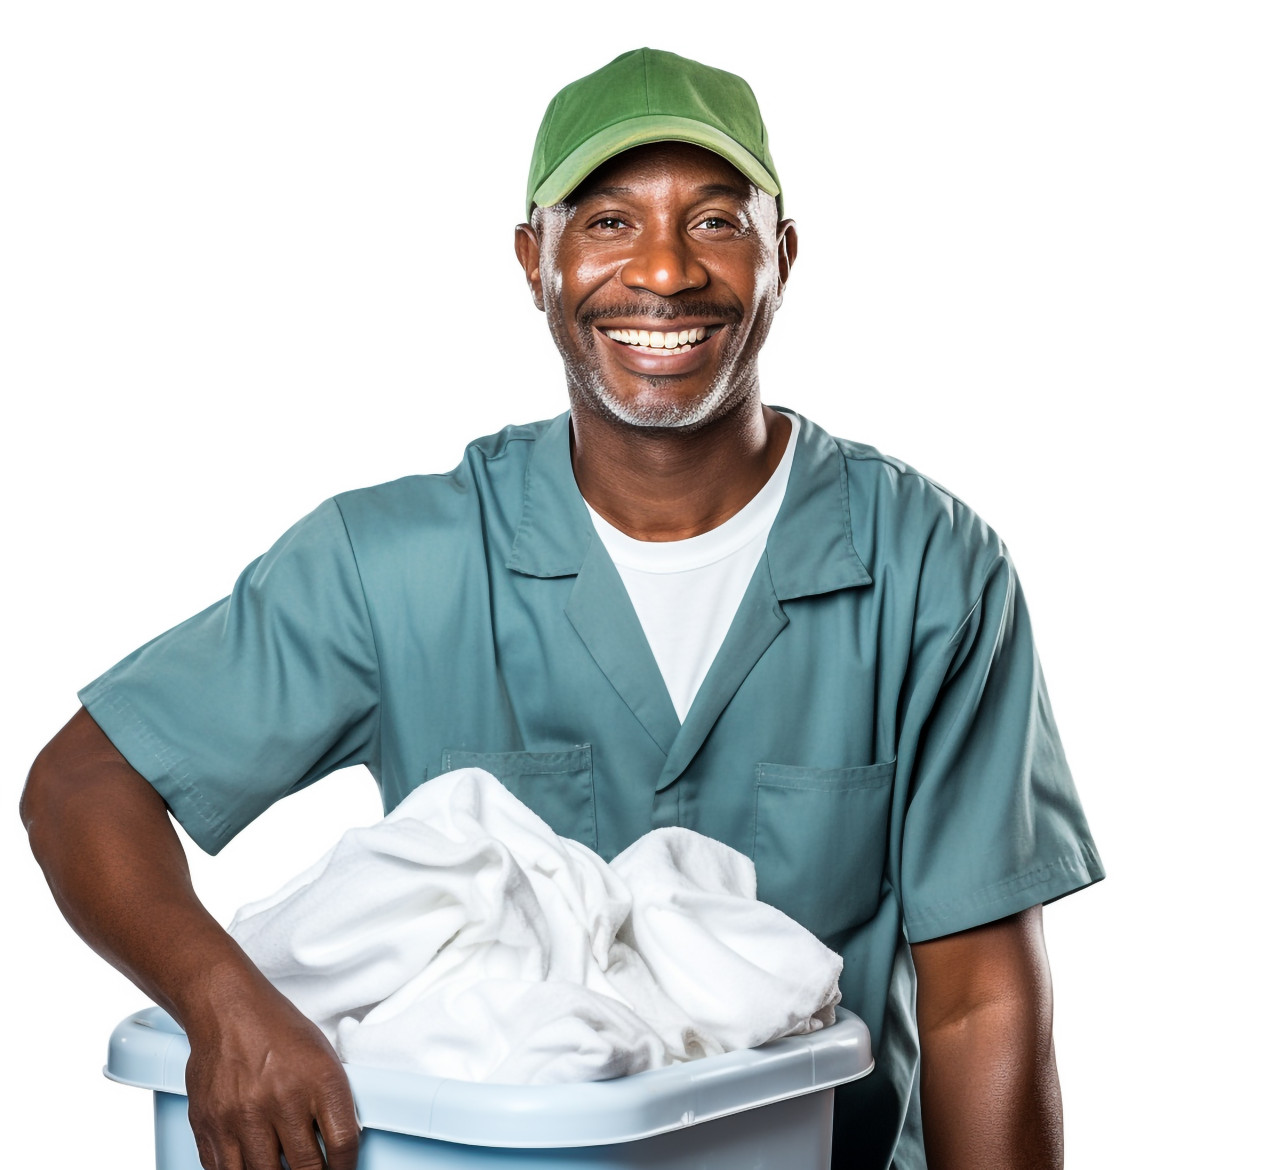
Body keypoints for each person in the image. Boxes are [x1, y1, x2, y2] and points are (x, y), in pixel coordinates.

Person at [21, 47, 1103, 1170]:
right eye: (607, 223)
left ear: (782, 256)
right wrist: (224, 1005)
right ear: (533, 260)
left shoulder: (927, 570)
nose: (666, 273)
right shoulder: (399, 564)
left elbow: (981, 1000)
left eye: (717, 221)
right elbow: (83, 784)